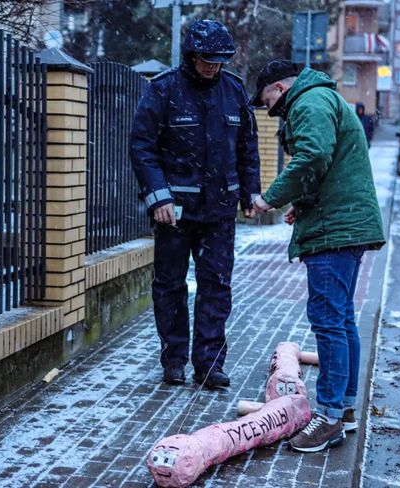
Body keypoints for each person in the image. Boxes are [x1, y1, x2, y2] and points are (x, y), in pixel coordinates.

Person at [251, 60, 385, 452]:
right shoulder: (324, 98)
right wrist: (304, 201)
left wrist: (270, 197)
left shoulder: (309, 101)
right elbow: (327, 166)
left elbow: (312, 156)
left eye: (271, 102)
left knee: (328, 320)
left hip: (335, 229)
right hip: (342, 221)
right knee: (341, 318)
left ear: (280, 86)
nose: (274, 111)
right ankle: (342, 409)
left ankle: (327, 418)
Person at [130, 20, 261, 389]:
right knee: (170, 286)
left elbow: (247, 148)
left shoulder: (233, 91)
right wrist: (158, 197)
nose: (213, 66)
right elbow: (142, 147)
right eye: (207, 59)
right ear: (191, 55)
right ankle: (173, 360)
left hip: (219, 210)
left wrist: (251, 192)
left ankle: (210, 364)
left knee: (216, 287)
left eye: (219, 60)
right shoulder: (164, 90)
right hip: (174, 213)